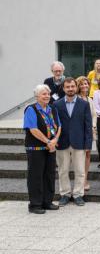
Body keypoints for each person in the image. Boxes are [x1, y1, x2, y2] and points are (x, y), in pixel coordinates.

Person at [52, 78, 90, 207]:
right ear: (63, 88)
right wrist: (54, 139)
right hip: (61, 142)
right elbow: (54, 125)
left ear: (76, 87)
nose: (70, 89)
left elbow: (88, 125)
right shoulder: (57, 105)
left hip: (79, 142)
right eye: (67, 87)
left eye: (72, 86)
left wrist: (88, 144)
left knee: (80, 170)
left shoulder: (84, 104)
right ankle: (65, 194)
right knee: (63, 170)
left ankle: (78, 194)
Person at [23, 84, 62, 214]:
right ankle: (35, 204)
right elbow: (33, 129)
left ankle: (47, 201)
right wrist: (48, 141)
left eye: (48, 94)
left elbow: (59, 126)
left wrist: (55, 140)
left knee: (49, 175)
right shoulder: (31, 109)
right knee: (36, 176)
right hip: (36, 148)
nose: (47, 96)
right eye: (44, 94)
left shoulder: (52, 109)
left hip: (50, 147)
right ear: (37, 96)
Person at [75, 76, 97, 191]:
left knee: (87, 155)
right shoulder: (75, 99)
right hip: (78, 132)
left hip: (89, 132)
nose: (85, 86)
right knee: (79, 156)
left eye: (86, 84)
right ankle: (79, 179)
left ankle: (85, 180)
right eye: (82, 84)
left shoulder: (90, 99)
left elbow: (94, 115)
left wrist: (93, 125)